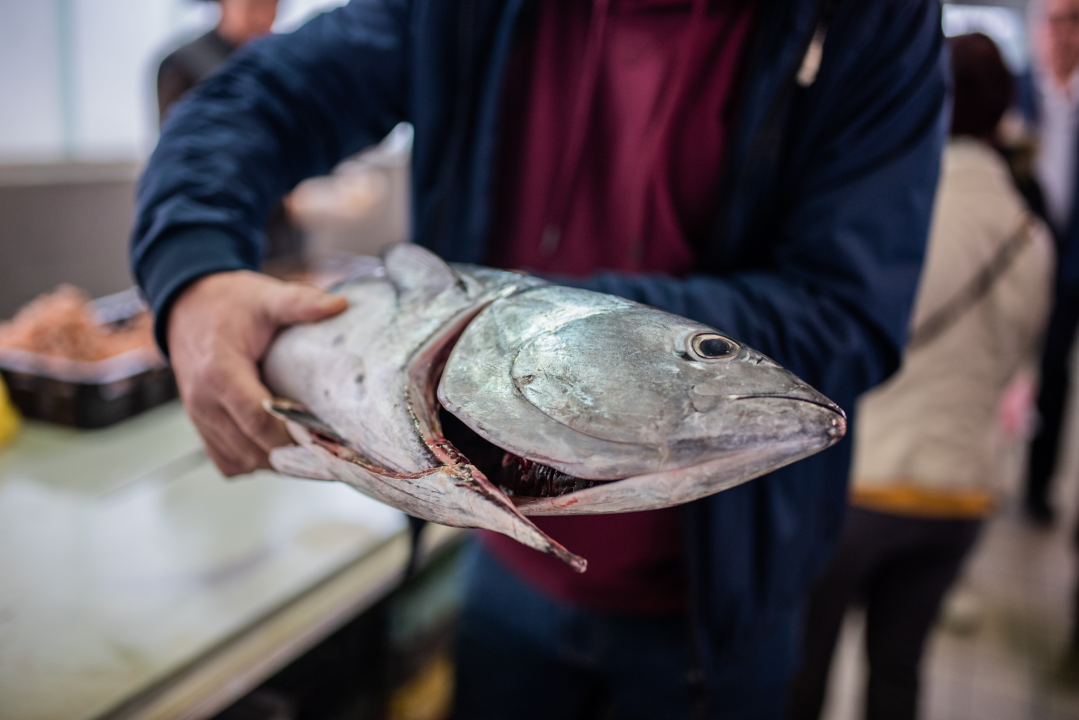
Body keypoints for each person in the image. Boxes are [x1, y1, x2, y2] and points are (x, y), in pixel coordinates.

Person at [130, 1, 947, 717]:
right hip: (497, 562)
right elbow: (252, 98)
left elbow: (846, 312)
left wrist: (554, 337)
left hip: (719, 609)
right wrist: (194, 270)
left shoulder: (869, 21)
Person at [787, 33, 1054, 720]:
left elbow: (841, 334)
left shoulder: (903, 210)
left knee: (802, 673)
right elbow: (1020, 360)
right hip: (962, 495)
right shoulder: (1031, 233)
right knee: (898, 675)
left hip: (866, 483)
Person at [1021, 0, 1079, 525]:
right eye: (1053, 21)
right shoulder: (1017, 94)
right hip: (1015, 262)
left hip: (1071, 266)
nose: (1060, 34)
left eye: (1072, 21)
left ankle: (1038, 487)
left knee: (1056, 374)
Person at [157, 0, 279, 122]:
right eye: (252, 7)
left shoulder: (277, 65)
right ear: (223, 4)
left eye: (272, 6)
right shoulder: (181, 64)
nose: (263, 18)